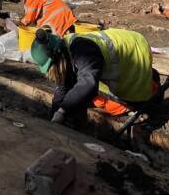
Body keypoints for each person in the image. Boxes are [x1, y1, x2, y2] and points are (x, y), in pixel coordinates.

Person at [30, 27, 160, 125]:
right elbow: (63, 87)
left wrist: (63, 111)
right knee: (81, 96)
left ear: (58, 57)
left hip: (136, 51)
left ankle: (152, 86)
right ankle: (148, 79)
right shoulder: (66, 49)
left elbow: (88, 83)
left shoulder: (83, 50)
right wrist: (54, 112)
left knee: (109, 105)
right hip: (125, 49)